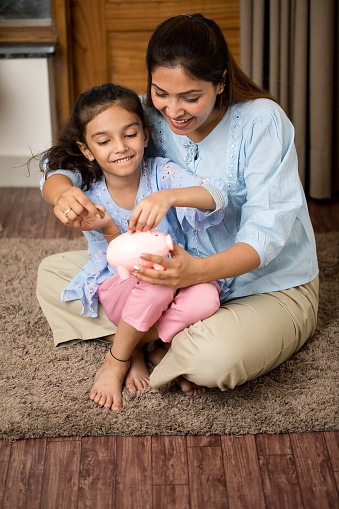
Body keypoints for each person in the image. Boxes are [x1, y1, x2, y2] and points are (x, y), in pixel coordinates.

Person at [37, 13, 319, 401]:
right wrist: (59, 192)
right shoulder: (144, 115)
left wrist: (195, 271)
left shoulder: (261, 122)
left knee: (216, 359)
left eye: (190, 98)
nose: (173, 111)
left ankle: (136, 343)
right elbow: (66, 159)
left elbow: (266, 238)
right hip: (171, 279)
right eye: (160, 93)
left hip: (264, 286)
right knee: (53, 276)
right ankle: (160, 343)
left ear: (220, 81)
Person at [38, 82, 229, 410]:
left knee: (207, 297)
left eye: (129, 134)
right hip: (121, 288)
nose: (120, 147)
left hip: (173, 281)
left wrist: (168, 196)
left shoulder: (160, 174)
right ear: (87, 150)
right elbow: (52, 180)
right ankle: (120, 359)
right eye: (103, 141)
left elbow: (217, 194)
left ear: (144, 135)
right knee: (150, 287)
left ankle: (143, 345)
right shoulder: (90, 190)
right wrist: (108, 226)